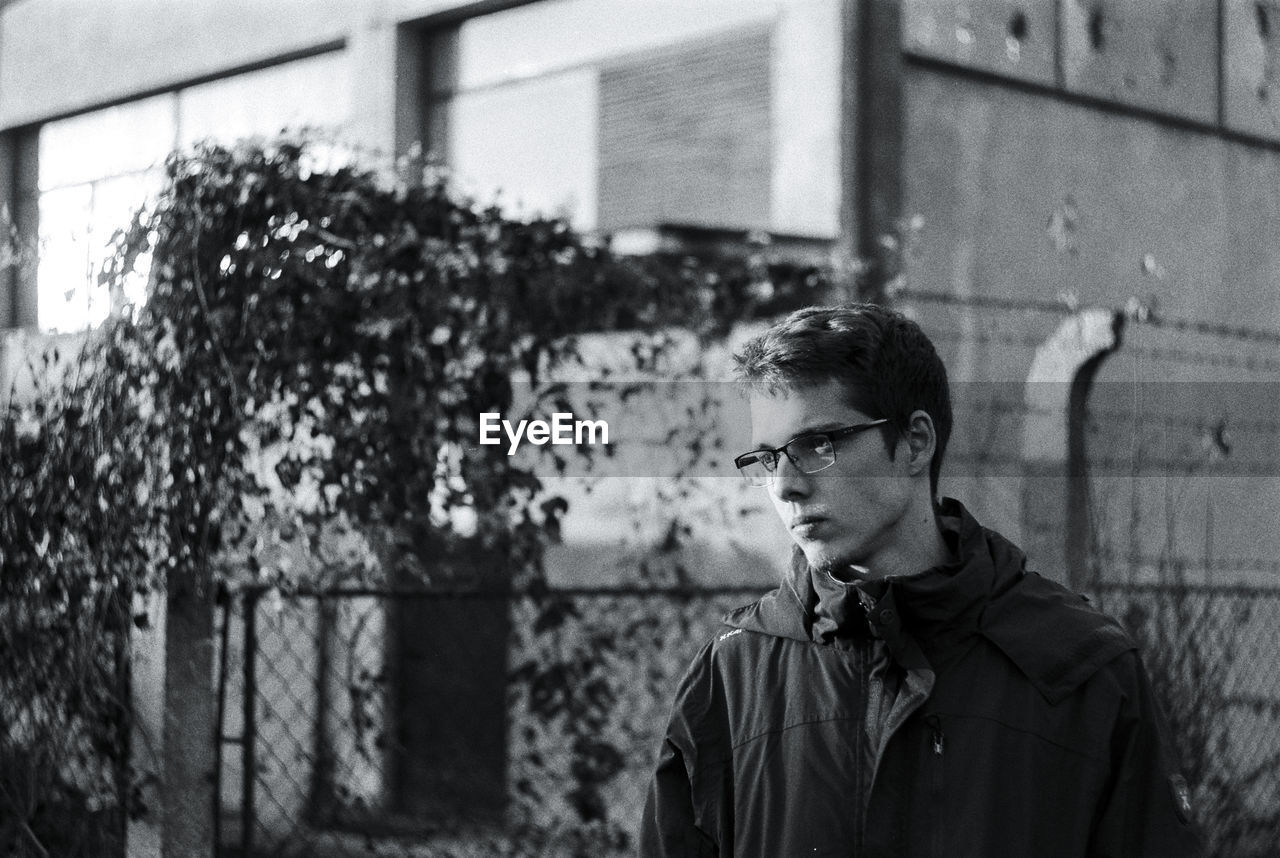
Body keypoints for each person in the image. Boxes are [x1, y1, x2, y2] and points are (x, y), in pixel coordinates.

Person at [639, 305, 1200, 857]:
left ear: (915, 442)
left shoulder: (1082, 667)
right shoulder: (734, 675)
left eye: (818, 446)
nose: (785, 486)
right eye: (767, 458)